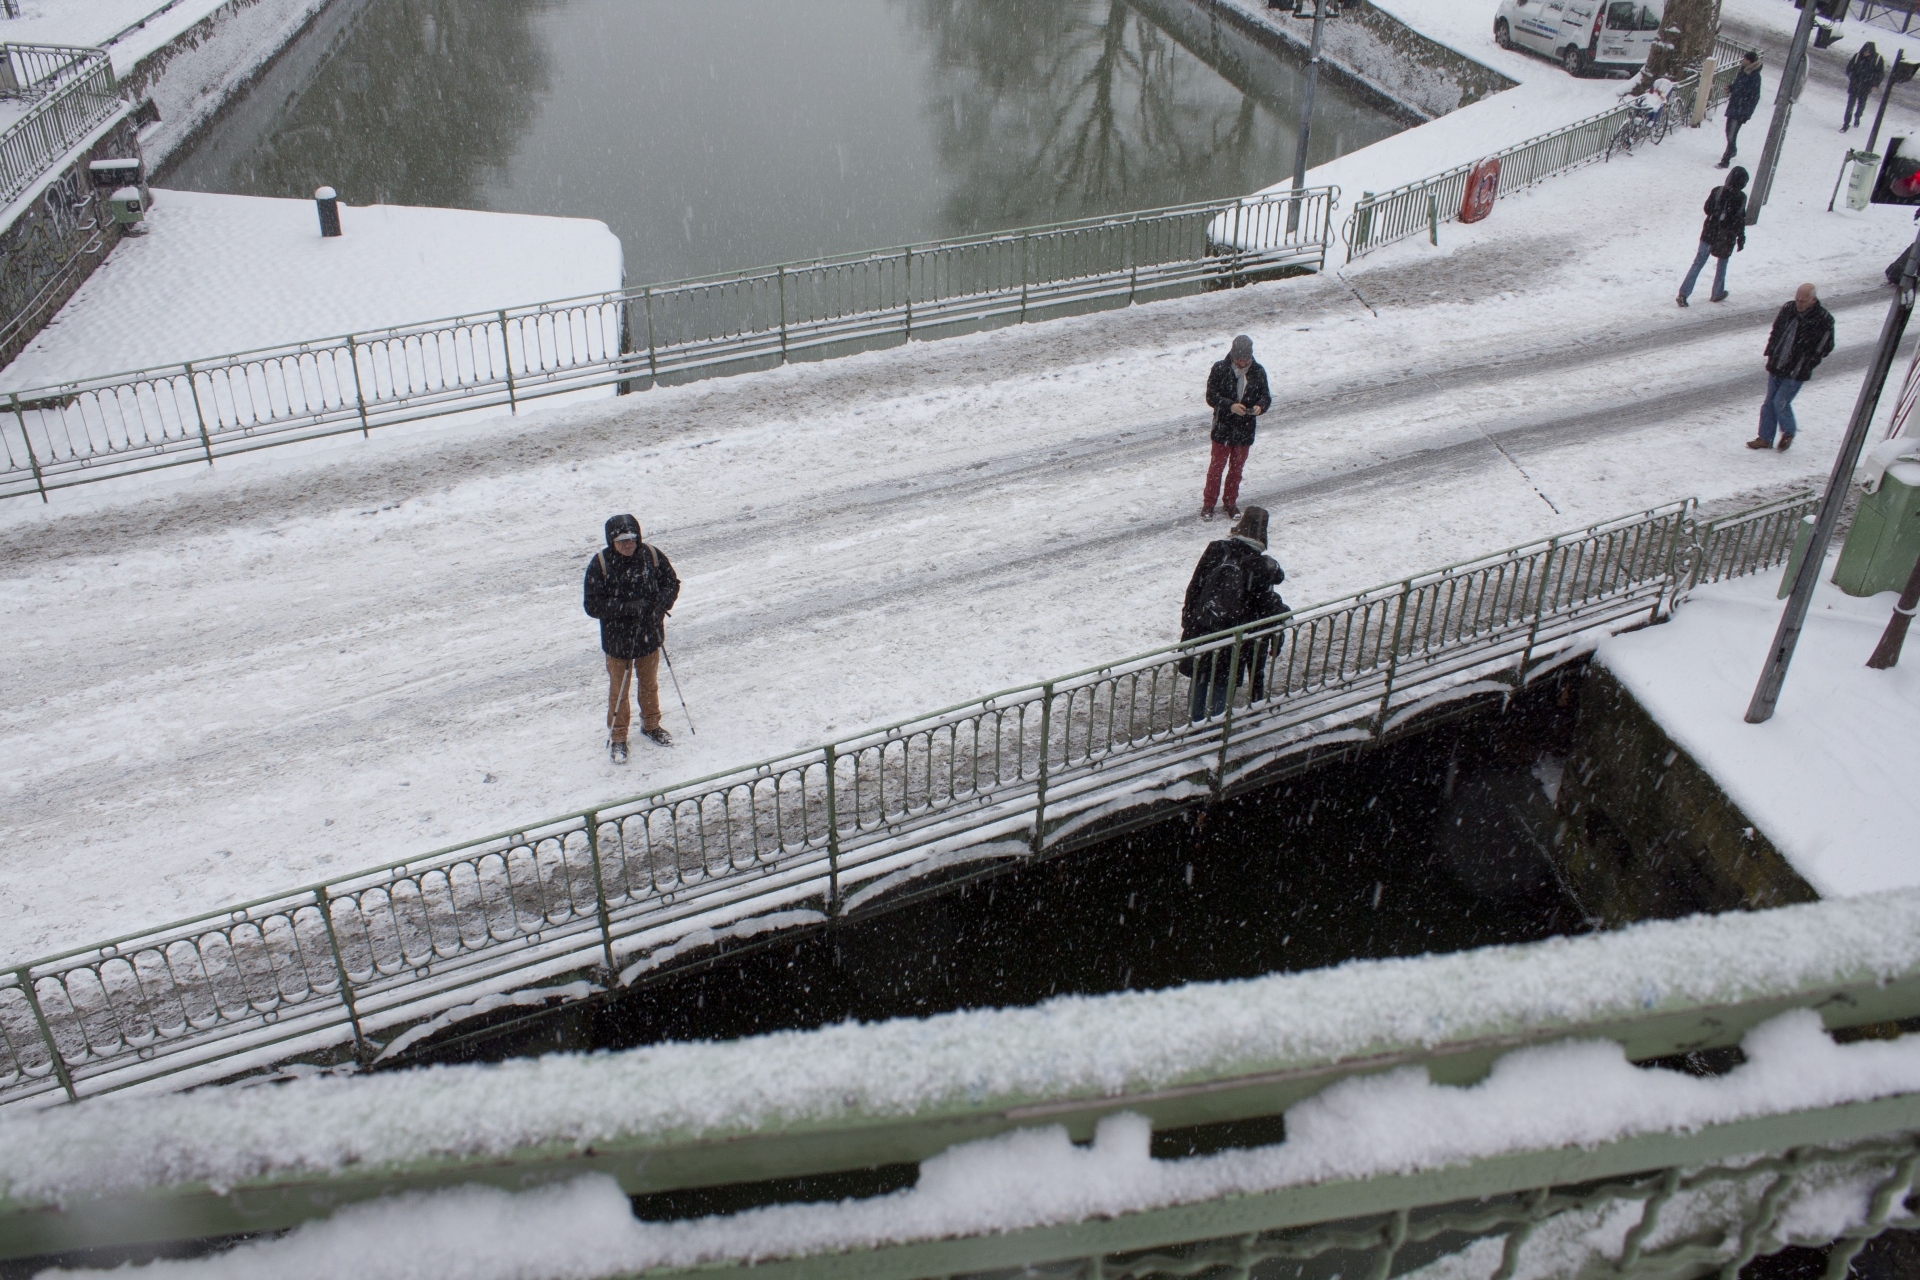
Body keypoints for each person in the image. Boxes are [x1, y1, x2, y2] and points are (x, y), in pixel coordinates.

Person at [583, 514, 681, 761]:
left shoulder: (651, 555)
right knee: (619, 691)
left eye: (631, 539)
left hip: (649, 634)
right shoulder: (601, 563)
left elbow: (671, 583)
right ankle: (618, 737)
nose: (628, 544)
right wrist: (625, 608)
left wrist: (660, 605)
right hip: (618, 641)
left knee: (649, 684)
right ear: (612, 541)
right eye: (621, 540)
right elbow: (592, 605)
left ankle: (651, 724)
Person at [1180, 506, 1288, 721]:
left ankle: (1195, 724)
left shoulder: (1216, 549)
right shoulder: (1259, 566)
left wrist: (1189, 620)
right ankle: (1215, 728)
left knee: (1200, 677)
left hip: (1203, 626)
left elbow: (1195, 586)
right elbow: (1262, 604)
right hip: (1232, 636)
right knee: (1221, 683)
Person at [1749, 284, 1835, 453]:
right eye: (1797, 300)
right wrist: (1771, 350)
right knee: (1769, 402)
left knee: (1780, 401)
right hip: (1778, 363)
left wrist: (1809, 361)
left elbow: (1826, 346)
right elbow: (1776, 331)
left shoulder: (1824, 319)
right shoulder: (1788, 308)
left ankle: (1788, 432)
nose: (1799, 304)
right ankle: (1765, 438)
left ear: (1813, 300)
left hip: (1797, 370)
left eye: (1803, 301)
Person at [1201, 334, 1272, 521]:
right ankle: (1209, 503)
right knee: (1216, 468)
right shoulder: (1220, 369)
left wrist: (1259, 407)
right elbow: (1211, 396)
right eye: (1239, 359)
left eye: (1246, 359)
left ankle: (1230, 502)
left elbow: (1265, 397)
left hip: (1244, 429)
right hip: (1223, 428)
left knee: (1236, 470)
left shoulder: (1258, 372)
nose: (1242, 362)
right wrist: (1230, 406)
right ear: (1233, 355)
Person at [1676, 167, 1748, 307]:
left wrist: (1717, 212)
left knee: (1698, 262)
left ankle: (1683, 293)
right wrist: (1740, 237)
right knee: (1722, 264)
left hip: (1709, 233)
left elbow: (1707, 209)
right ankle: (1717, 292)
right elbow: (1740, 219)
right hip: (1726, 237)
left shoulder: (1717, 191)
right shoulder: (1741, 197)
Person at [1719, 52, 1762, 169]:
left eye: (1744, 59)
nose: (1742, 60)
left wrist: (1747, 113)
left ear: (1749, 61)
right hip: (1734, 106)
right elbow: (1739, 86)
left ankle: (1725, 160)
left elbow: (1754, 96)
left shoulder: (1754, 77)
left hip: (1741, 110)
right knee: (1729, 132)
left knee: (1731, 134)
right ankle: (1732, 150)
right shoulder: (1743, 72)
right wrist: (1731, 88)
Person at [1844, 42, 1887, 132]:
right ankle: (1846, 123)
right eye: (1865, 52)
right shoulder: (1857, 56)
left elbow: (1880, 73)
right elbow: (1849, 68)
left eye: (1868, 52)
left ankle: (1858, 116)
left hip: (1866, 85)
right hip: (1855, 84)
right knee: (1850, 105)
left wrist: (1875, 84)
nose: (1866, 54)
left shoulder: (1877, 59)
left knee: (1861, 104)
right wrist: (1853, 77)